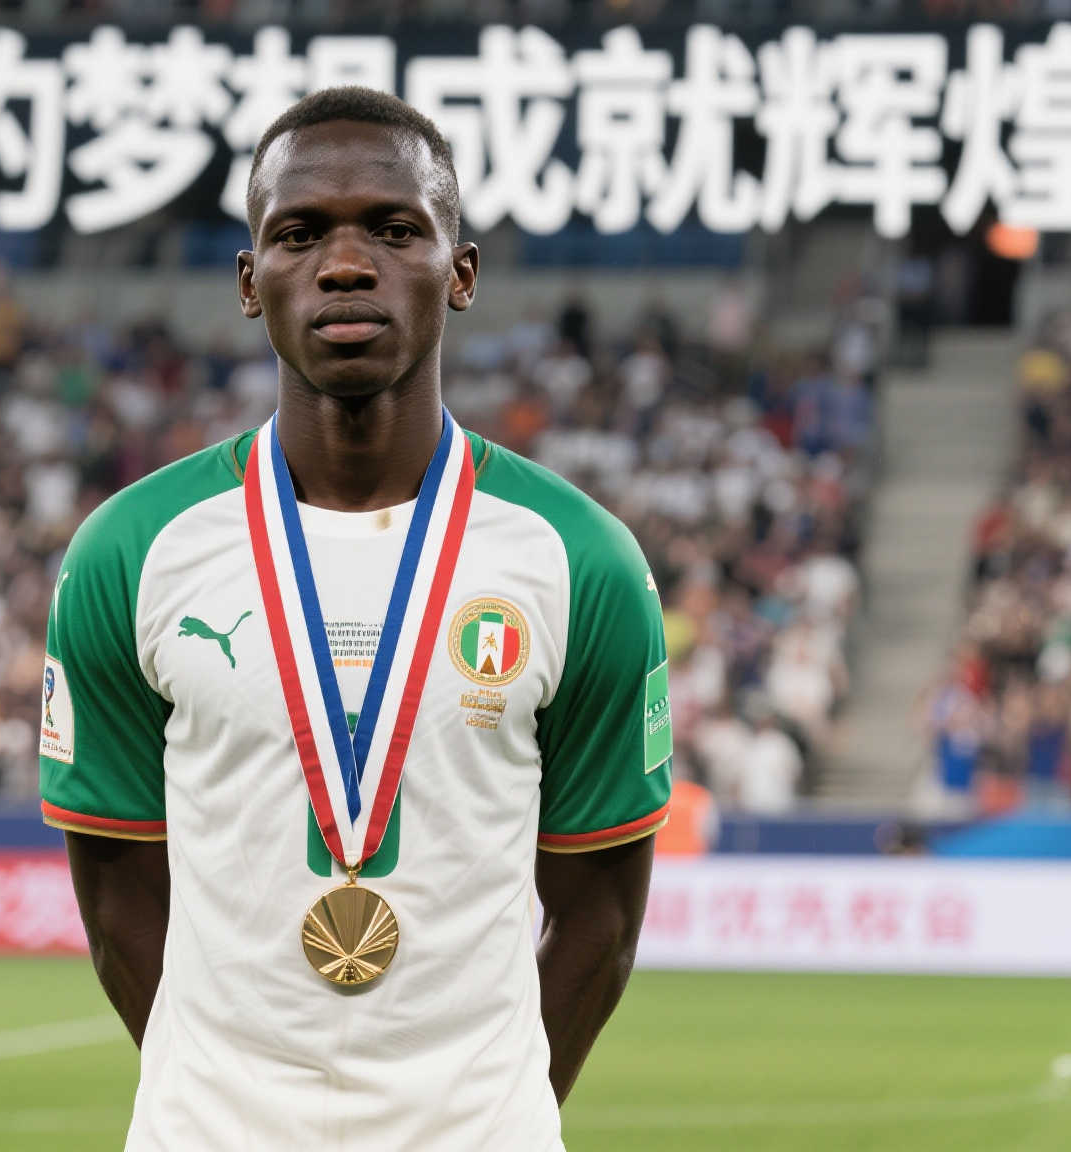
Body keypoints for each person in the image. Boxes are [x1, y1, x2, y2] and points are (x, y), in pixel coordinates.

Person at [40, 88, 670, 1150]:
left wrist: (484, 1120)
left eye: (392, 229)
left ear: (459, 271)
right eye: (298, 235)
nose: (343, 264)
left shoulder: (579, 561)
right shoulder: (131, 551)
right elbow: (115, 903)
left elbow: (600, 921)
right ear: (251, 282)